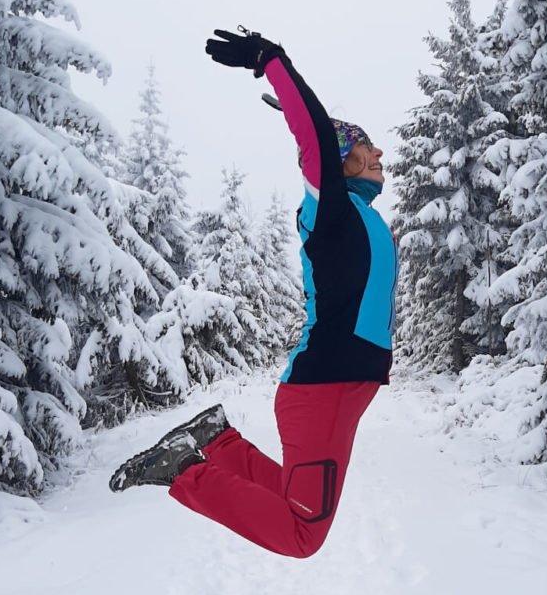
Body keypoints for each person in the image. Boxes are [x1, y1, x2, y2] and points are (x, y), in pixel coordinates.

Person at [109, 28, 398, 558]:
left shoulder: (361, 217)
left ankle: (218, 443)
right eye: (364, 145)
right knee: (301, 534)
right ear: (338, 161)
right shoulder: (331, 209)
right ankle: (184, 472)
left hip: (335, 392)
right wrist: (270, 60)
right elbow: (312, 132)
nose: (379, 151)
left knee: (298, 499)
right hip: (323, 390)